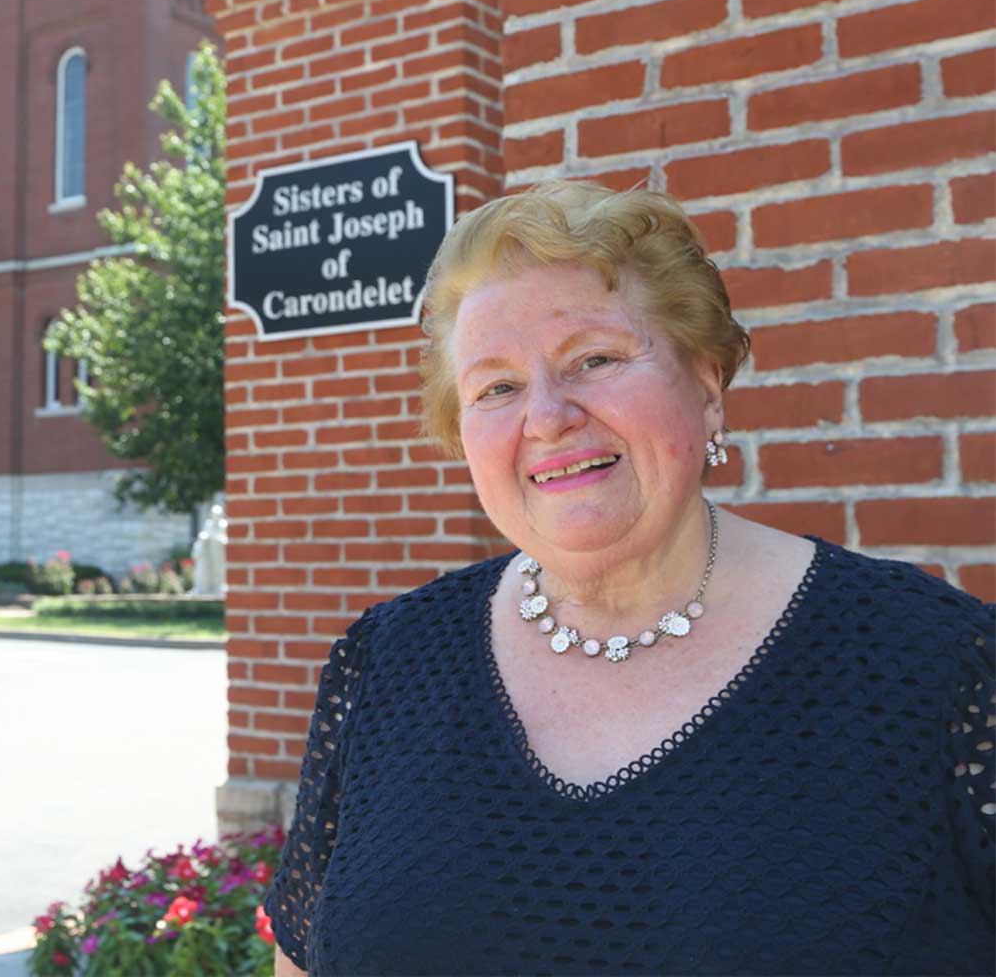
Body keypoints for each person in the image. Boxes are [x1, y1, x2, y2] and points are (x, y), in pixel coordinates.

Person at [264, 181, 994, 977]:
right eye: (497, 387)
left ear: (707, 386)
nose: (547, 415)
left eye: (596, 359)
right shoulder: (385, 663)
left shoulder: (936, 667)